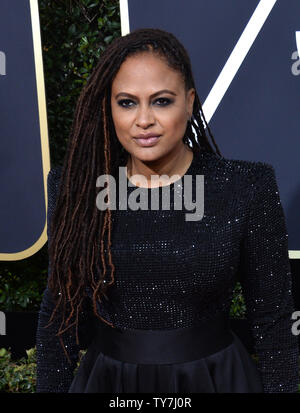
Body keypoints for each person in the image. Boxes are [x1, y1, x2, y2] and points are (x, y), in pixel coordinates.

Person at [36, 28, 299, 393]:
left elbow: (272, 320)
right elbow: (58, 320)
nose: (143, 120)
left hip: (216, 381)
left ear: (189, 102)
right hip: (109, 384)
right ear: (108, 106)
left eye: (161, 101)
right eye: (127, 102)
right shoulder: (77, 189)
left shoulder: (245, 187)